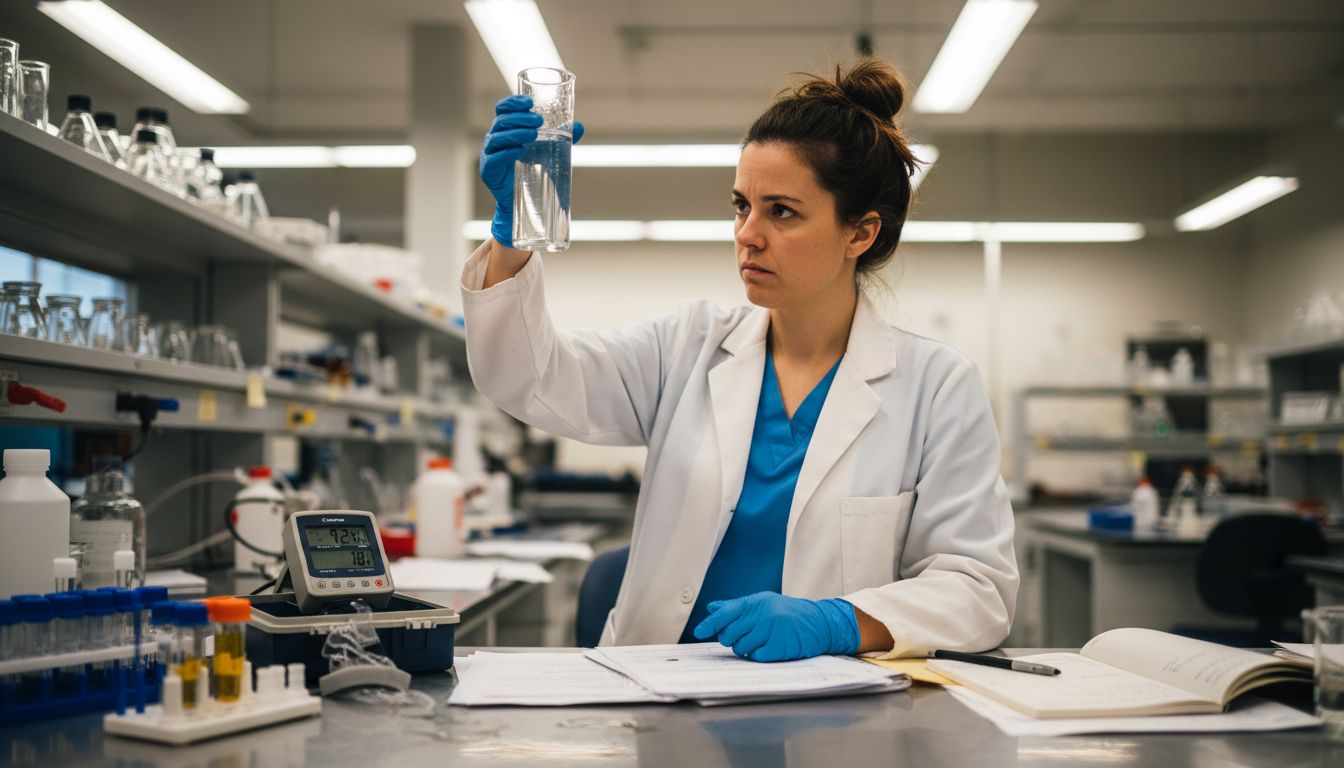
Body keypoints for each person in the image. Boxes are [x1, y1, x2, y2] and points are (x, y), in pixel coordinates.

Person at [463, 59, 1018, 661]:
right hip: (657, 689)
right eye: (741, 206)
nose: (747, 234)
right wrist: (511, 239)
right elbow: (531, 380)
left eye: (782, 211)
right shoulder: (686, 348)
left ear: (859, 233)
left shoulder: (937, 387)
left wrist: (838, 621)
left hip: (830, 700)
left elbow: (978, 589)